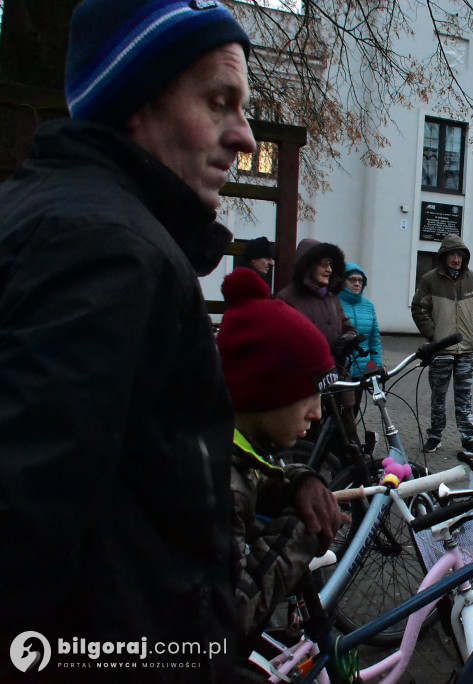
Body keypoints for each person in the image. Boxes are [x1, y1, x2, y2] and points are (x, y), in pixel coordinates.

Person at [0, 1, 255, 679]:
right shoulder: (109, 250)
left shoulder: (58, 214)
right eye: (219, 102)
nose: (246, 136)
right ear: (135, 102)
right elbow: (23, 526)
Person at [215, 268, 346, 657]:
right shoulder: (217, 485)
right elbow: (229, 615)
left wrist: (298, 479)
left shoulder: (224, 446)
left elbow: (257, 474)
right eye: (309, 395)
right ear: (264, 391)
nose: (318, 413)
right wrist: (299, 535)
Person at [412, 234, 473, 456]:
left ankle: (468, 438)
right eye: (452, 255)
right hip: (441, 350)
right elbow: (418, 309)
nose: (456, 259)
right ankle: (435, 435)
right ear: (444, 257)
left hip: (466, 349)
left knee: (464, 396)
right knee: (438, 394)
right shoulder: (429, 280)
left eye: (460, 255)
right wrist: (433, 335)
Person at [277, 238, 358, 369]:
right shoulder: (286, 299)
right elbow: (281, 344)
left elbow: (347, 327)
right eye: (324, 264)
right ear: (308, 265)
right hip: (305, 380)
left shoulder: (332, 297)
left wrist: (348, 340)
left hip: (338, 378)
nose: (329, 270)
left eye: (331, 265)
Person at [339, 263, 383, 378]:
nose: (357, 283)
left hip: (362, 370)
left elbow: (374, 340)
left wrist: (377, 366)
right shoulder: (334, 303)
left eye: (360, 280)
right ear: (343, 281)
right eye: (352, 279)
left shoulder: (369, 306)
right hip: (340, 368)